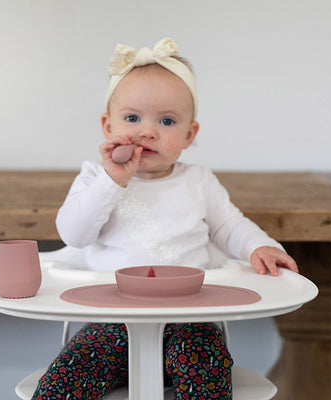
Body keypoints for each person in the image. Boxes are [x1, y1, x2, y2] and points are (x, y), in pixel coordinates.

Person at [33, 38, 298, 400]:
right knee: (63, 383)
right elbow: (74, 234)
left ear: (189, 134)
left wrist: (259, 246)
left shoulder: (199, 181)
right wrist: (113, 180)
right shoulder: (97, 179)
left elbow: (229, 226)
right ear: (107, 127)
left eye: (167, 121)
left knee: (209, 371)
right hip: (111, 323)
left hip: (188, 321)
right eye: (132, 118)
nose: (148, 131)